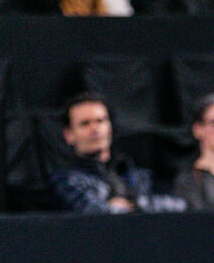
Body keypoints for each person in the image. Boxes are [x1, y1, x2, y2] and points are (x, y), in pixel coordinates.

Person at [48, 92, 184, 214]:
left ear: (110, 127)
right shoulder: (66, 181)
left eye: (100, 121)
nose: (95, 129)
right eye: (85, 123)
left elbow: (179, 206)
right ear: (69, 135)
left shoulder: (135, 175)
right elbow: (96, 215)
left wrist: (134, 204)